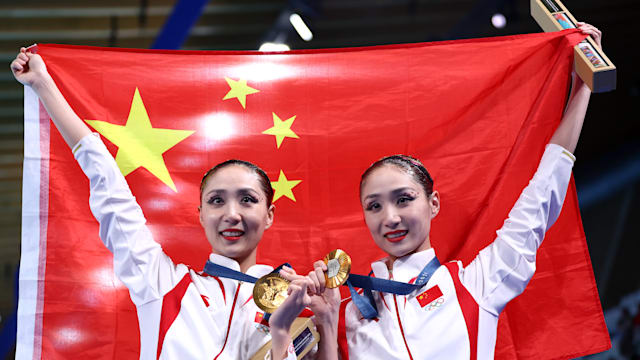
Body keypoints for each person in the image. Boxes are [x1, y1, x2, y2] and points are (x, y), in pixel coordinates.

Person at [306, 22, 603, 359]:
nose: (390, 217)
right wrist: (328, 325)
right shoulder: (350, 310)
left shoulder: (476, 283)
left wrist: (581, 89)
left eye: (404, 199)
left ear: (433, 203)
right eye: (374, 206)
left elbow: (540, 197)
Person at [11, 48, 327, 359]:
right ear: (201, 215)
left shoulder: (293, 303)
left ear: (269, 214)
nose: (232, 214)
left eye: (247, 199)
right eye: (217, 201)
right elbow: (108, 184)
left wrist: (291, 326)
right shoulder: (161, 282)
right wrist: (43, 85)